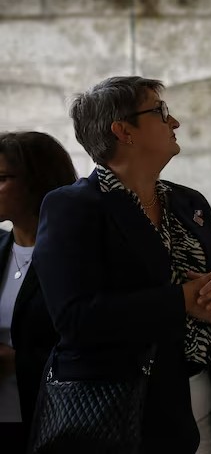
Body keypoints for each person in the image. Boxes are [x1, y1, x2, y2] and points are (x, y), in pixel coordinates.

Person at [33, 76, 211, 454]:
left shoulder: (189, 202)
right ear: (123, 130)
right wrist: (180, 301)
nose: (174, 122)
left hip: (208, 401)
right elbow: (75, 317)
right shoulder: (73, 207)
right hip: (124, 412)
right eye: (160, 112)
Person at [0, 132, 76, 452]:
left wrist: (15, 362)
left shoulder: (74, 255)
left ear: (37, 180)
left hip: (55, 423)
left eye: (2, 178)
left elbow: (94, 344)